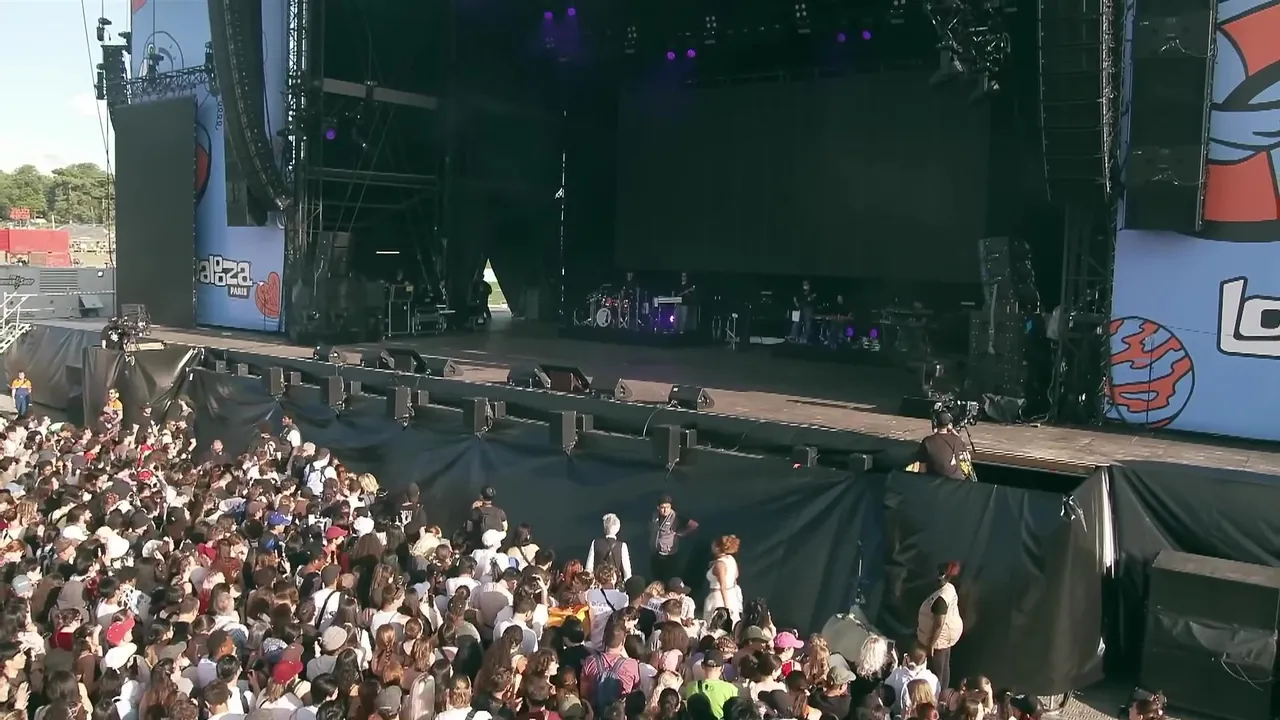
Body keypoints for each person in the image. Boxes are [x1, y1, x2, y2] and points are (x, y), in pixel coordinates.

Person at [917, 562, 964, 691]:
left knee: (937, 671)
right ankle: (943, 692)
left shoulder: (940, 600)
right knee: (944, 666)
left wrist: (931, 645)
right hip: (948, 635)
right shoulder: (949, 587)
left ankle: (937, 695)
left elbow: (938, 624)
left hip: (939, 639)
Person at [910, 411, 974, 481]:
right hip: (956, 480)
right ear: (949, 424)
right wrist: (952, 430)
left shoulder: (927, 441)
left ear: (935, 423)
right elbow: (962, 443)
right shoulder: (956, 440)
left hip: (933, 480)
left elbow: (922, 468)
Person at [649, 496, 698, 584]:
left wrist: (682, 533)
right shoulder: (655, 515)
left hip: (669, 555)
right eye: (663, 507)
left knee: (669, 580)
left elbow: (694, 525)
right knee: (657, 580)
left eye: (668, 507)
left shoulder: (675, 517)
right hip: (656, 553)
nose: (665, 510)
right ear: (658, 507)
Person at [586, 513, 633, 580]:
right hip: (615, 584)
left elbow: (588, 569)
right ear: (618, 528)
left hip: (598, 583)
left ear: (604, 527)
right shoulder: (622, 546)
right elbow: (627, 572)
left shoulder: (595, 543)